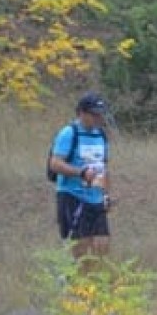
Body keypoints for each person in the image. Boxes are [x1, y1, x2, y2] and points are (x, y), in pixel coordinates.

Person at [49, 92, 111, 261]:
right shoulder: (69, 133)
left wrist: (106, 195)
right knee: (81, 252)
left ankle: (96, 285)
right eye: (94, 114)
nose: (99, 118)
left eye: (101, 114)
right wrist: (80, 172)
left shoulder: (101, 135)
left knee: (102, 247)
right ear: (81, 113)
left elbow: (104, 167)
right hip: (72, 196)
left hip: (96, 199)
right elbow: (54, 164)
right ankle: (75, 285)